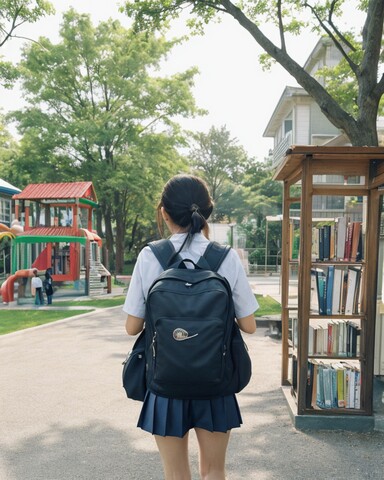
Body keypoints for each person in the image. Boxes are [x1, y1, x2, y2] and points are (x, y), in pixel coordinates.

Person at [123, 174, 258, 480]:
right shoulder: (226, 258)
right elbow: (248, 325)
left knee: (176, 475)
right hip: (216, 382)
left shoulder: (149, 257)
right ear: (206, 211)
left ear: (164, 212)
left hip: (165, 384)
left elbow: (132, 327)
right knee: (214, 471)